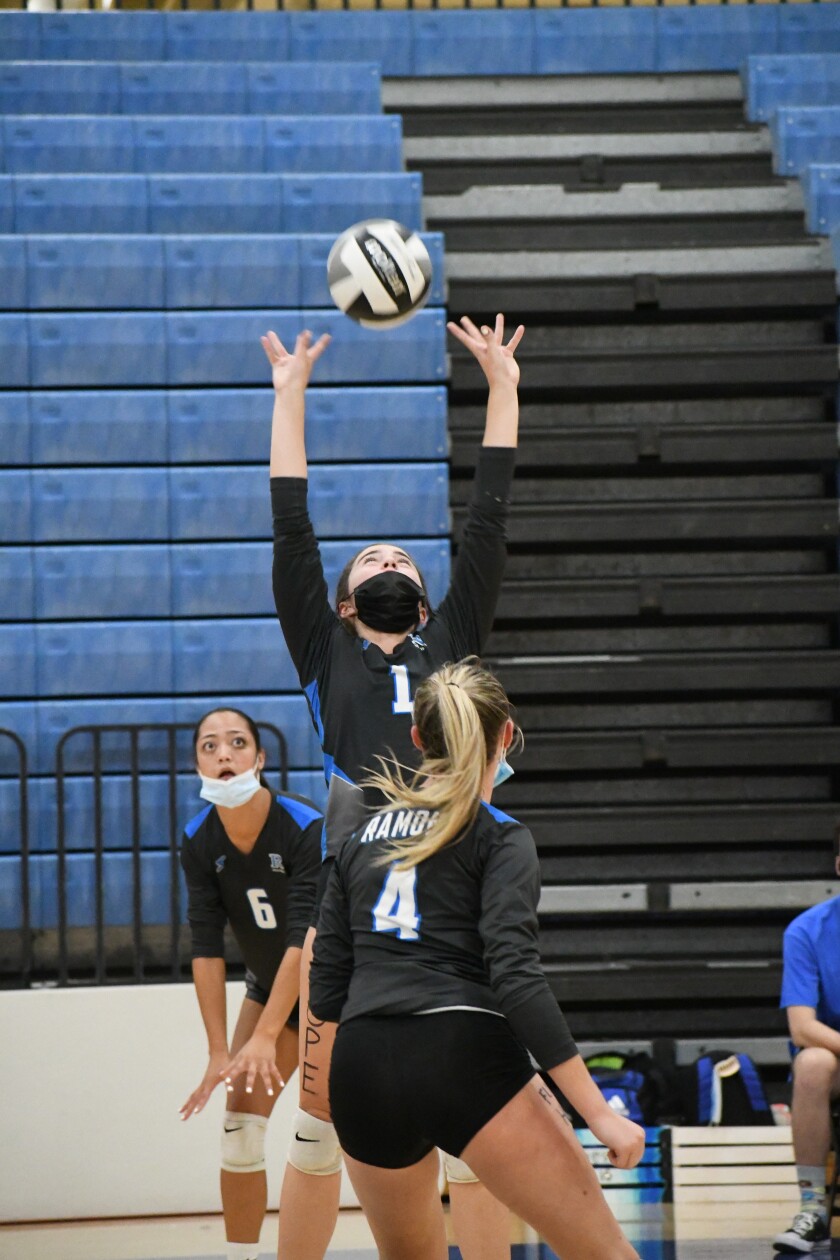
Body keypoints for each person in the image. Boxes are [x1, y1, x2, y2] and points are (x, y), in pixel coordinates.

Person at [256, 313, 523, 1260]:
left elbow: (488, 520)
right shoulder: (325, 649)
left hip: (455, 858)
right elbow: (291, 523)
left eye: (401, 559)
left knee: (478, 1115)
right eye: (370, 559)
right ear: (341, 601)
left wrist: (503, 387)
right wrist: (289, 395)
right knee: (322, 1115)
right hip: (357, 870)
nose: (388, 561)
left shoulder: (449, 641)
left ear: (424, 596)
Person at [308, 658, 645, 1260]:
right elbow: (517, 979)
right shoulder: (499, 835)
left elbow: (327, 988)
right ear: (505, 735)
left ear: (417, 737)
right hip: (460, 1051)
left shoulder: (357, 841)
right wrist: (599, 1114)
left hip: (361, 1065)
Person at [179, 707, 322, 1260]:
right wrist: (219, 1050)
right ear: (197, 765)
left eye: (237, 743)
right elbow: (206, 948)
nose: (223, 754)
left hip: (333, 993)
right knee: (239, 1131)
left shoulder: (304, 824)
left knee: (321, 1134)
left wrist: (264, 1035)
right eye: (209, 746)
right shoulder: (198, 839)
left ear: (259, 759)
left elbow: (302, 939)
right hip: (268, 988)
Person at [773, 838, 840, 1255]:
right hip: (838, 1059)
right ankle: (812, 1207)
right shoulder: (807, 930)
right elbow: (802, 1028)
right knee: (812, 1063)